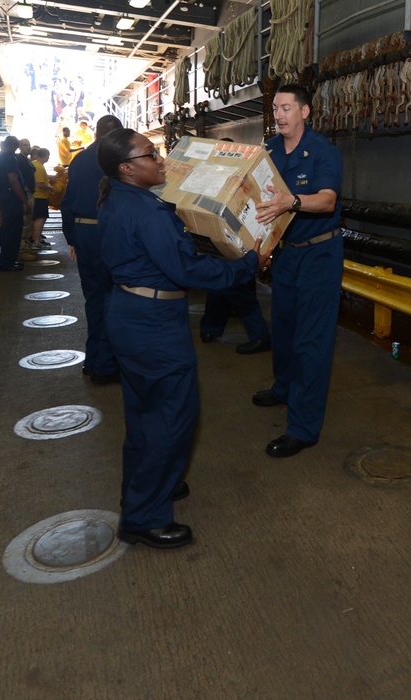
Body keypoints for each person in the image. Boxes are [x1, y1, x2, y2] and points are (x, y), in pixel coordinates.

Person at [96, 129, 269, 548]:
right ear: (127, 168)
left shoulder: (117, 199)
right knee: (172, 416)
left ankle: (149, 487)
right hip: (152, 322)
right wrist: (247, 264)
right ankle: (144, 517)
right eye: (150, 155)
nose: (161, 160)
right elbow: (188, 271)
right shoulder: (149, 212)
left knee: (143, 413)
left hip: (130, 313)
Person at [252, 84, 343, 458]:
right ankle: (284, 387)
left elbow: (327, 200)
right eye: (276, 108)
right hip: (286, 253)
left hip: (319, 255)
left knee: (311, 341)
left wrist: (293, 201)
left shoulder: (324, 152)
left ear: (305, 112)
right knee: (285, 327)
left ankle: (303, 427)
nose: (279, 114)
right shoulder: (269, 150)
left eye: (286, 107)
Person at [60, 114, 123, 385]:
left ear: (96, 133)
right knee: (115, 299)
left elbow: (66, 202)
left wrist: (72, 238)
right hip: (109, 233)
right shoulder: (115, 159)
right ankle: (107, 366)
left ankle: (93, 359)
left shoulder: (79, 160)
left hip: (84, 232)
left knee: (94, 298)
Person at [199, 137, 272, 355]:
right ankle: (210, 328)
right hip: (218, 241)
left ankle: (260, 336)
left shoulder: (242, 180)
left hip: (239, 244)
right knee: (217, 287)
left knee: (240, 291)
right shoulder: (214, 175)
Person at [0, 136, 30, 272]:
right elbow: (13, 181)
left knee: (5, 230)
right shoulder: (10, 159)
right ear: (12, 146)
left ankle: (6, 261)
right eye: (16, 147)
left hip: (0, 196)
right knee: (13, 231)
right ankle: (8, 262)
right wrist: (24, 200)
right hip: (12, 198)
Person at [30, 147, 53, 249]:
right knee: (40, 219)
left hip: (37, 196)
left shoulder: (35, 164)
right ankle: (37, 240)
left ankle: (37, 238)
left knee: (37, 219)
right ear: (46, 156)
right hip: (39, 196)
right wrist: (50, 188)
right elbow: (39, 184)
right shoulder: (39, 167)